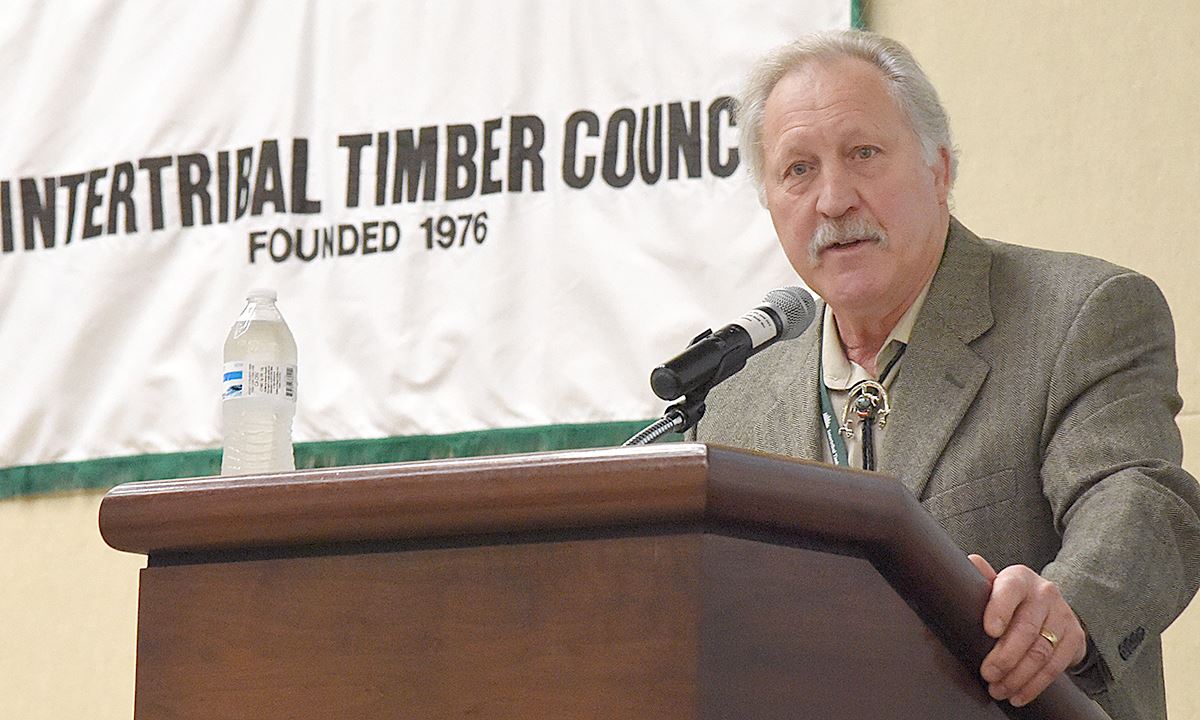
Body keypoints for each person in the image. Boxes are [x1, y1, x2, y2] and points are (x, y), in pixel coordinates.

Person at [693, 29, 1200, 720]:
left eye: (863, 153)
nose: (833, 199)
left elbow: (1140, 499)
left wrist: (1068, 608)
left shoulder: (1079, 314)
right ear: (770, 201)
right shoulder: (734, 402)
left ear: (940, 168)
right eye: (799, 169)